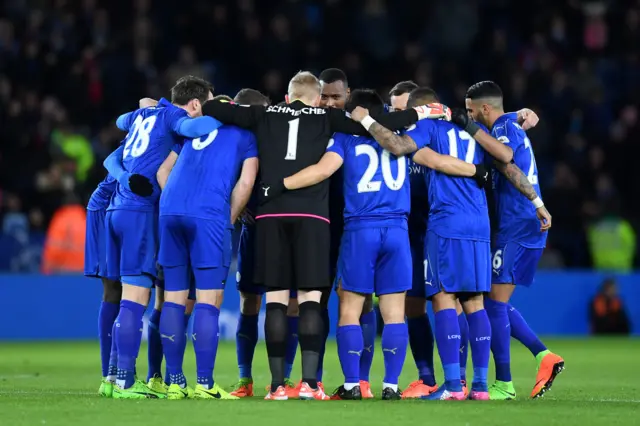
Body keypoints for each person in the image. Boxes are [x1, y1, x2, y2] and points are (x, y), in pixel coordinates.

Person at [202, 71, 447, 400]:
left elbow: (222, 111)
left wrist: (206, 104)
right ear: (317, 99)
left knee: (284, 301)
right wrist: (427, 111)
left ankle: (283, 385)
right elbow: (389, 126)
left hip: (297, 218)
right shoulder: (339, 121)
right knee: (332, 304)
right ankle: (347, 384)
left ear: (288, 97)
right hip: (344, 222)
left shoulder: (268, 114)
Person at [277, 89, 486, 400]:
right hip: (398, 231)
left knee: (349, 309)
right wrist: (475, 170)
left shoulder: (346, 140)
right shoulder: (401, 138)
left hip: (361, 229)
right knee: (394, 313)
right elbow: (437, 161)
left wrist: (280, 185)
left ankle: (352, 385)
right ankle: (390, 385)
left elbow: (323, 170)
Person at [352, 86, 518, 400]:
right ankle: (480, 387)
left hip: (446, 222)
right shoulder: (474, 130)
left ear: (422, 110)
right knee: (474, 302)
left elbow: (401, 147)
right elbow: (506, 155)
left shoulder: (427, 127)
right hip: (480, 223)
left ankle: (453, 385)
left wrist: (367, 121)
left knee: (443, 297)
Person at [103, 75, 221, 399]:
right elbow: (195, 129)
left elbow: (118, 123)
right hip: (142, 212)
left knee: (129, 295)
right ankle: (127, 381)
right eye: (206, 105)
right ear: (195, 104)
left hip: (118, 209)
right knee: (135, 299)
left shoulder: (144, 116)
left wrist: (126, 177)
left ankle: (113, 377)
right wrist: (226, 116)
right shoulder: (174, 117)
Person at [155, 87, 263, 400]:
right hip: (209, 216)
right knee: (208, 299)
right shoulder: (246, 137)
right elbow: (246, 183)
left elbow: (164, 170)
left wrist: (176, 202)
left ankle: (175, 382)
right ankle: (204, 383)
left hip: (170, 210)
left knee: (174, 299)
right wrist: (226, 217)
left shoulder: (195, 126)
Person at [464, 80, 562, 400]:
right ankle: (543, 357)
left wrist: (536, 203)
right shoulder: (510, 124)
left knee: (493, 303)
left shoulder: (502, 130)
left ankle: (504, 383)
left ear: (485, 109)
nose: (469, 116)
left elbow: (507, 162)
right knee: (495, 302)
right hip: (523, 223)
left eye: (471, 111)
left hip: (517, 223)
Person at [316, 68, 377, 398]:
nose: (328, 102)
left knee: (362, 301)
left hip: (357, 224)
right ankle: (316, 379)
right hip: (320, 223)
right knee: (317, 299)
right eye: (323, 96)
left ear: (348, 95)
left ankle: (362, 379)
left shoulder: (363, 128)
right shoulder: (312, 125)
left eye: (335, 97)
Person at [84, 173, 121, 398]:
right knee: (117, 288)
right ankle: (112, 374)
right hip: (108, 207)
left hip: (122, 206)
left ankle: (118, 374)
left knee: (124, 289)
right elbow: (111, 162)